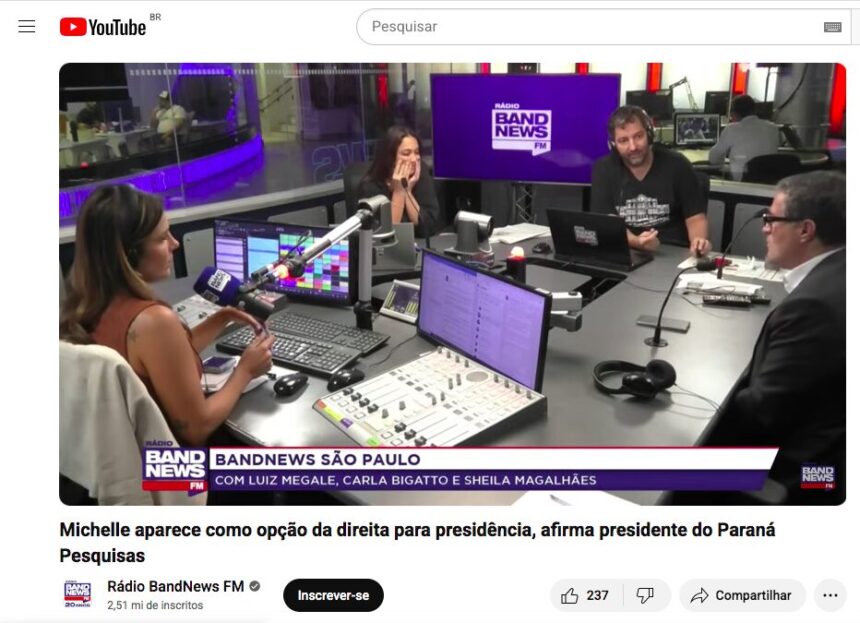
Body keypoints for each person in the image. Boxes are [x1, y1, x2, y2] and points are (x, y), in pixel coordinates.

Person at [676, 171, 845, 505]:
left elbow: (761, 415)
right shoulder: (839, 272)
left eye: (771, 220)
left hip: (800, 473)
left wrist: (692, 404)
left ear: (805, 230)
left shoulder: (813, 307)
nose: (764, 228)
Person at [60, 185, 274, 447]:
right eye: (162, 238)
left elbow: (162, 362)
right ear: (129, 254)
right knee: (308, 464)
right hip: (171, 467)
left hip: (120, 456)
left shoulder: (86, 306)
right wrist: (246, 371)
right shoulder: (154, 321)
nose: (175, 244)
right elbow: (197, 429)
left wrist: (222, 318)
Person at [591, 105, 711, 256]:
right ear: (613, 145)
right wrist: (637, 242)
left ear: (649, 135)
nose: (633, 147)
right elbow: (608, 222)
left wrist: (699, 242)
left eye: (638, 136)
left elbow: (695, 218)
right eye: (623, 140)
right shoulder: (604, 169)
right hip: (627, 250)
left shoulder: (678, 164)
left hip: (673, 253)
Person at [358, 126, 440, 238]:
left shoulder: (421, 174)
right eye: (406, 153)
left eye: (416, 152)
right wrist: (399, 192)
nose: (414, 159)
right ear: (390, 158)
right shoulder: (369, 187)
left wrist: (407, 192)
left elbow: (429, 227)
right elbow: (387, 236)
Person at [708, 94, 780, 181]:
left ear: (734, 113)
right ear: (754, 110)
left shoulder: (732, 129)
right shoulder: (773, 128)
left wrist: (724, 161)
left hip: (741, 183)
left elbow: (713, 159)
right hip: (768, 183)